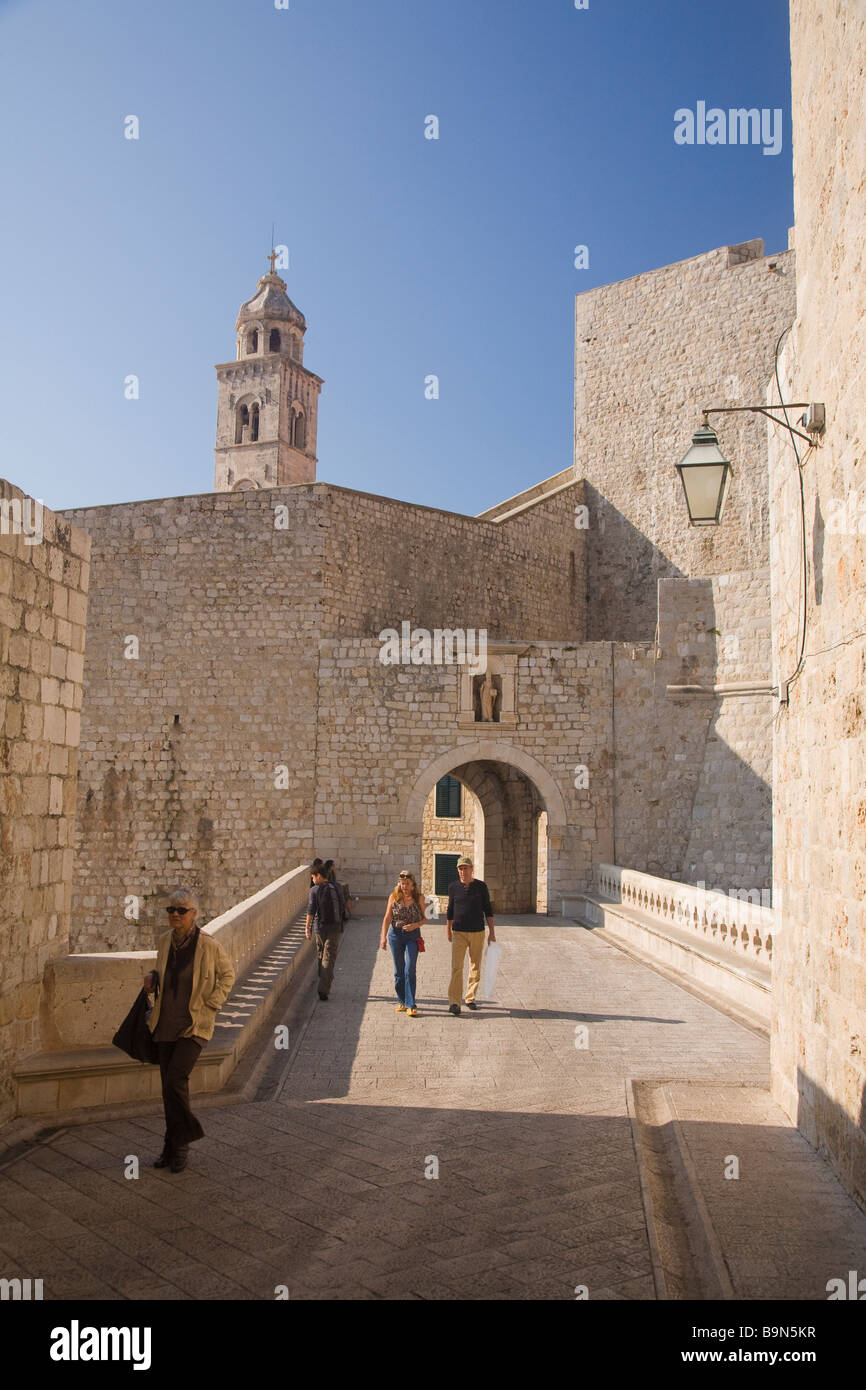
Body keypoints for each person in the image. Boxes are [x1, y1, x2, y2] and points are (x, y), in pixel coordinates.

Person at [143, 888, 235, 1173]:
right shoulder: (164, 942)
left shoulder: (207, 944)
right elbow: (164, 971)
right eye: (171, 910)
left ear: (194, 914)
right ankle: (170, 1147)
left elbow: (227, 974)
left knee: (175, 1081)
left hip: (194, 1026)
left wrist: (213, 1004)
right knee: (170, 1090)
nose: (175, 915)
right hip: (165, 1024)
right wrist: (153, 977)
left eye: (181, 910)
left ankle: (182, 1144)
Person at [446, 856, 496, 1016]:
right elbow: (450, 910)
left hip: (477, 932)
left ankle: (470, 997)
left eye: (465, 868)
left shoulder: (481, 887)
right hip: (459, 932)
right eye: (460, 868)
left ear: (471, 869)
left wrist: (492, 933)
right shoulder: (453, 887)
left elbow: (488, 910)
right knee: (456, 967)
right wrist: (448, 929)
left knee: (475, 965)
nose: (463, 871)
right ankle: (454, 1002)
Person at [380, 870, 426, 1017]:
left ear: (413, 884)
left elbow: (427, 918)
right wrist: (383, 937)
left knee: (410, 969)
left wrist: (415, 925)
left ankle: (411, 1004)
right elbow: (387, 918)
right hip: (395, 935)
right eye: (402, 883)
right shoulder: (393, 897)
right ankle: (401, 999)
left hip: (412, 936)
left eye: (407, 884)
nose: (404, 886)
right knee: (398, 971)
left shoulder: (419, 898)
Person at [305, 864, 344, 1000]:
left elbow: (311, 910)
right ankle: (324, 987)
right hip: (335, 927)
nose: (313, 880)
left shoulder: (314, 890)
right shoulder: (337, 887)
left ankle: (324, 982)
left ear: (319, 876)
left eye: (313, 877)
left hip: (319, 928)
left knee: (321, 955)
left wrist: (307, 928)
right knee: (329, 956)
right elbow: (342, 905)